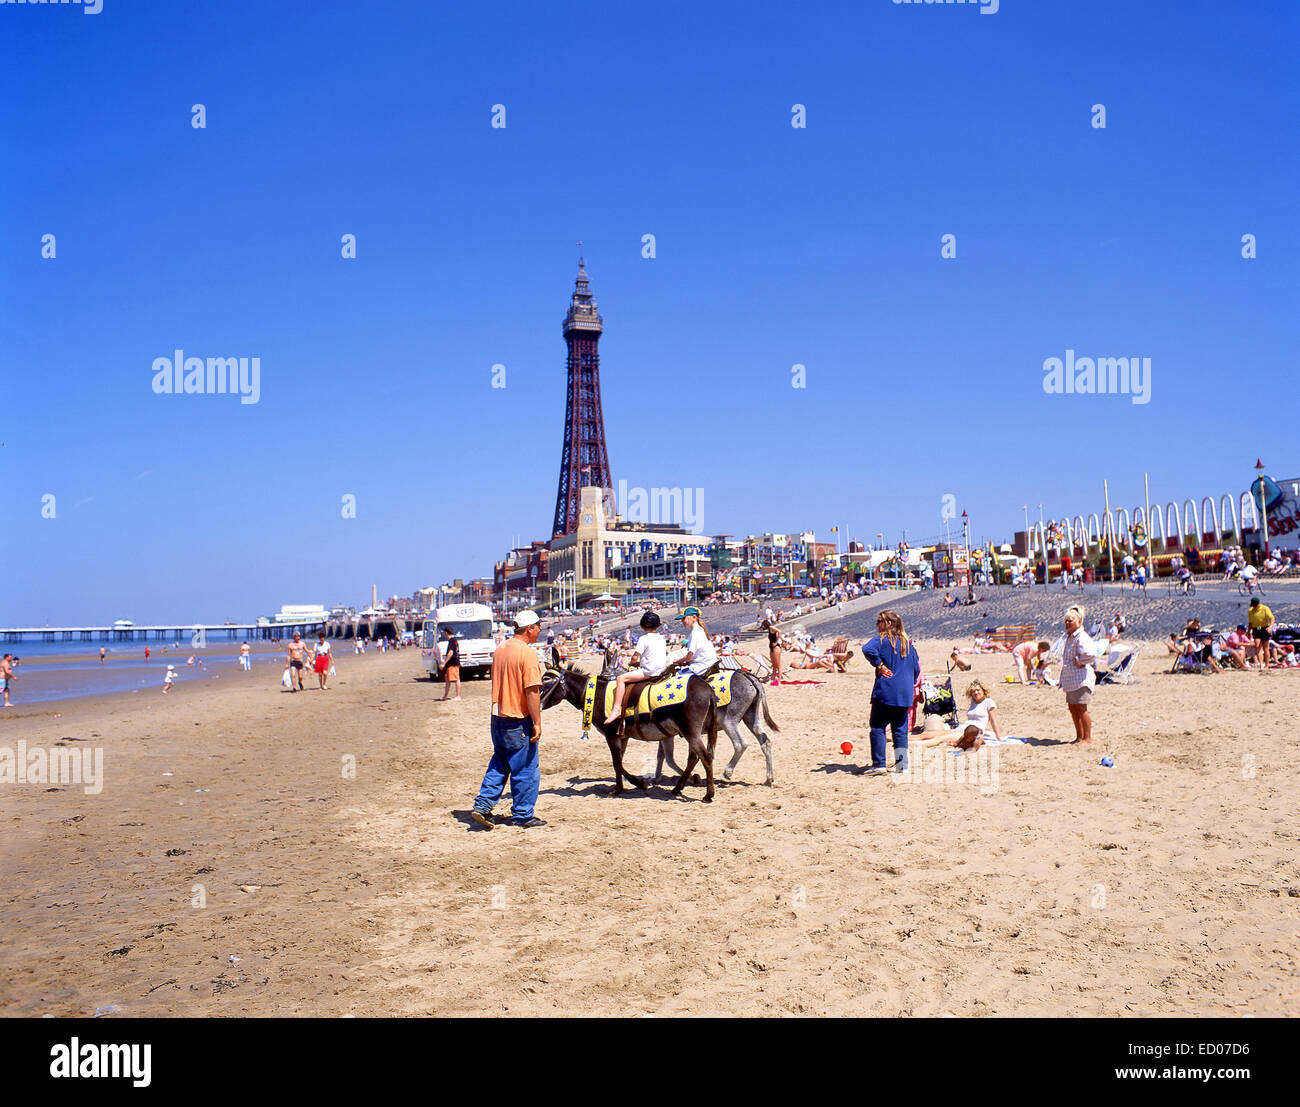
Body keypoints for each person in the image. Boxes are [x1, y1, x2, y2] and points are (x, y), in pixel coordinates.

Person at [470, 610, 545, 830]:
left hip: (498, 715)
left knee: (500, 763)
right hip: (517, 718)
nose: (540, 630)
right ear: (530, 628)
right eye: (538, 626)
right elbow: (532, 692)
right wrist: (537, 722)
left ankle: (483, 806)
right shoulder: (527, 653)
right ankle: (522, 815)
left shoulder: (501, 648)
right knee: (526, 769)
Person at [860, 610, 921, 774]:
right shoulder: (908, 644)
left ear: (888, 623)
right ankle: (902, 765)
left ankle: (879, 764)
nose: (877, 624)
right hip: (905, 693)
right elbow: (916, 669)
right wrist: (909, 682)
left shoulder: (882, 640)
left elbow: (866, 649)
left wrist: (879, 665)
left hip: (886, 691)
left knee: (878, 726)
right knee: (900, 730)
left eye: (879, 621)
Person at [610, 612, 668, 728]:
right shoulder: (661, 638)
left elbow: (635, 657)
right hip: (662, 669)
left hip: (649, 672)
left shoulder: (643, 639)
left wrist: (632, 662)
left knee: (620, 678)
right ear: (658, 627)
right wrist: (638, 663)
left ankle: (616, 709)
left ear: (641, 626)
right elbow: (652, 656)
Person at [918, 680, 1003, 747]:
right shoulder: (973, 702)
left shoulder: (989, 702)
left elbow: (993, 721)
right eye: (973, 691)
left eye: (978, 690)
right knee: (927, 734)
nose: (976, 693)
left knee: (938, 739)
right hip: (961, 728)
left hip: (971, 732)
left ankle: (909, 745)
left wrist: (999, 738)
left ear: (983, 691)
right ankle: (904, 739)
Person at [1060, 605, 1096, 744]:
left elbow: (1090, 655)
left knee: (1081, 708)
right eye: (1067, 620)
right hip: (1071, 679)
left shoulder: (1082, 637)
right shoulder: (1070, 637)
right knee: (1072, 707)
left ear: (1079, 622)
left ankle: (1087, 738)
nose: (1068, 623)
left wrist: (1080, 662)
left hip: (1081, 679)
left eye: (1071, 620)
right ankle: (1079, 736)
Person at [676, 607, 719, 676]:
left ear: (694, 617)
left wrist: (678, 661)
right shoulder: (700, 630)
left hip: (702, 666)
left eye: (684, 618)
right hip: (709, 663)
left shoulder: (694, 633)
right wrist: (686, 662)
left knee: (677, 675)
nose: (682, 621)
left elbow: (689, 657)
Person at [1247, 597, 1275, 671]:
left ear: (1259, 604)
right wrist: (1248, 631)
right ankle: (1261, 665)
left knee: (1265, 647)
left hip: (1264, 628)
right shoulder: (1250, 610)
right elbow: (1250, 622)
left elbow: (1272, 618)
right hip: (1256, 629)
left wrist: (1270, 627)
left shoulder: (1265, 608)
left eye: (1255, 605)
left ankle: (1267, 664)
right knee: (1257, 645)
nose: (1254, 607)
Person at [440, 626, 461, 701]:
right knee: (447, 679)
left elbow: (451, 653)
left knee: (456, 679)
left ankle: (458, 696)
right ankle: (445, 696)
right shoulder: (454, 640)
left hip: (453, 663)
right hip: (453, 662)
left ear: (446, 633)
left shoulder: (452, 640)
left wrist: (444, 663)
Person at [762, 620, 785, 686]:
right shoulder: (769, 629)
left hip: (776, 648)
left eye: (763, 625)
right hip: (772, 648)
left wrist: (776, 642)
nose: (763, 626)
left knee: (778, 665)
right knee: (774, 665)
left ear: (766, 624)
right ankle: (773, 679)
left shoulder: (771, 627)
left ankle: (779, 680)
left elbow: (779, 631)